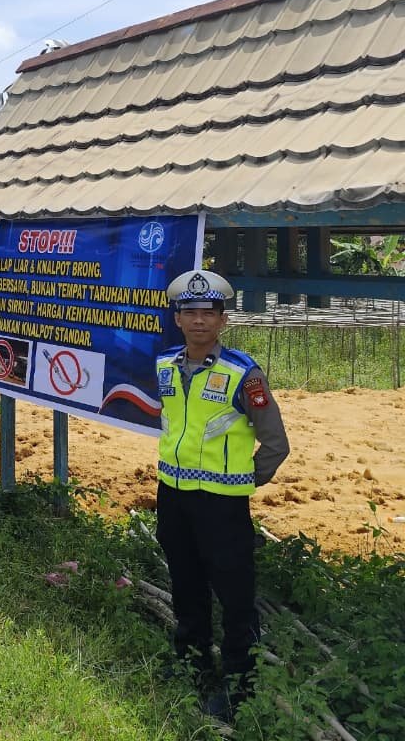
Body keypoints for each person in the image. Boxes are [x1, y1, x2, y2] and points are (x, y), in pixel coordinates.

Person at [155, 269, 290, 721]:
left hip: (223, 506)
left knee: (235, 597)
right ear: (177, 319)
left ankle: (239, 686)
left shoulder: (243, 374)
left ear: (222, 320)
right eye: (189, 312)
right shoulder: (165, 367)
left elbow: (275, 444)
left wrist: (244, 481)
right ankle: (192, 666)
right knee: (186, 586)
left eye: (207, 313)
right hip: (173, 497)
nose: (198, 321)